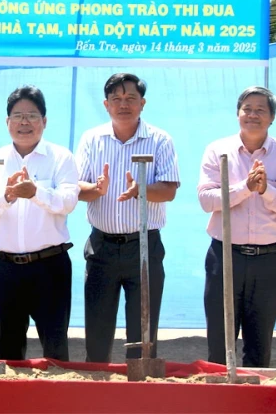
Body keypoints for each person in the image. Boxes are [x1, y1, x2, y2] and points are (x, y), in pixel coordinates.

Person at [198, 86, 276, 368]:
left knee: (259, 345)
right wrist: (245, 188)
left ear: (272, 117)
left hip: (268, 260)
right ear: (237, 114)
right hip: (225, 257)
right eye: (247, 108)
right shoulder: (217, 150)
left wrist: (266, 191)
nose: (252, 114)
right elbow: (206, 200)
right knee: (220, 343)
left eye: (260, 110)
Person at [76, 72, 180, 363]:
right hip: (102, 248)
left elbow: (169, 189)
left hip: (144, 247)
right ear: (106, 104)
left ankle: (141, 392)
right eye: (116, 99)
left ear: (142, 103)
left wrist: (141, 190)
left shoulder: (160, 140)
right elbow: (77, 188)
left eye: (130, 98)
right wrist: (94, 189)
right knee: (97, 334)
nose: (124, 104)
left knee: (142, 335)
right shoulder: (91, 139)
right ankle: (96, 394)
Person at [0, 86, 79, 361]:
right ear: (7, 122)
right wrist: (8, 195)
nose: (24, 123)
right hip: (5, 268)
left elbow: (68, 201)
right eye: (18, 116)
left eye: (32, 116)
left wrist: (35, 193)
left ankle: (56, 403)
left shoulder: (61, 157)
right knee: (9, 349)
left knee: (55, 347)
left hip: (50, 266)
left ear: (44, 121)